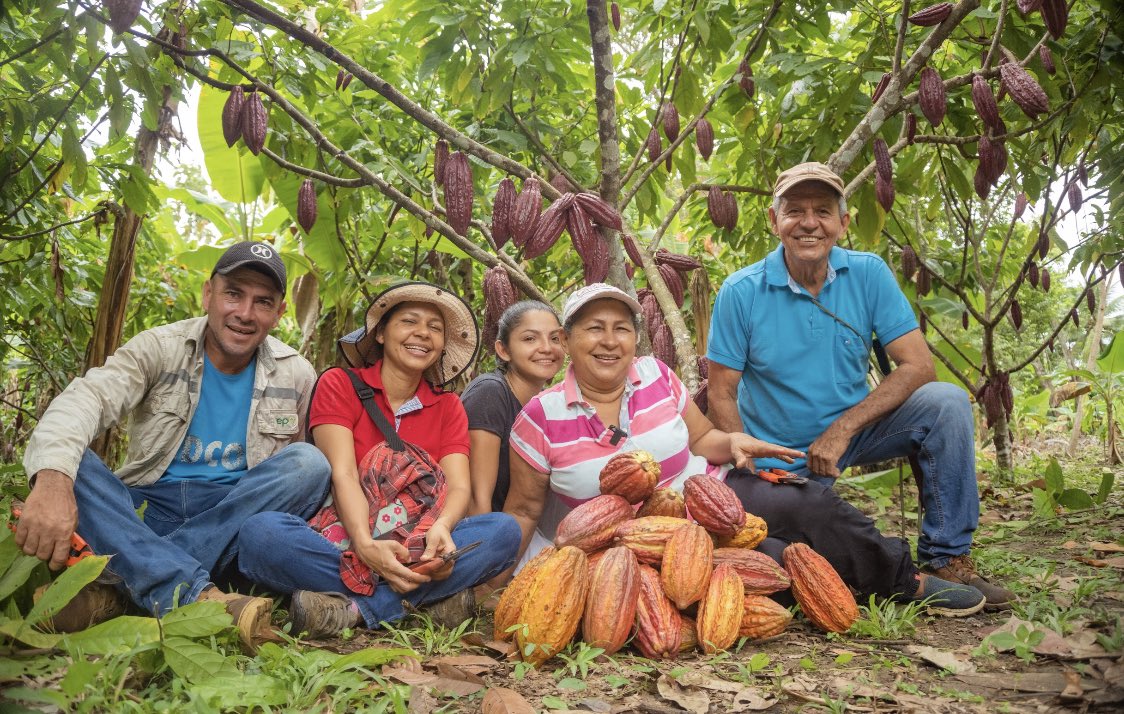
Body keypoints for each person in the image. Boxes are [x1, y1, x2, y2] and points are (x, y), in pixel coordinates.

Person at [504, 283, 986, 615]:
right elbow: (525, 509)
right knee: (779, 564)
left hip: (707, 493)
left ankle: (907, 583)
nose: (609, 341)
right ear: (567, 340)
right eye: (594, 328)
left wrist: (732, 441)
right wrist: (501, 581)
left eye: (621, 327)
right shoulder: (539, 419)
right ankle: (846, 592)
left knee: (811, 503)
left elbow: (701, 440)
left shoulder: (655, 376)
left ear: (635, 336)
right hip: (636, 542)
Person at [706, 162, 1014, 609]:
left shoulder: (868, 274)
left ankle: (946, 556)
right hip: (781, 453)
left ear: (843, 223)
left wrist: (842, 429)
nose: (809, 223)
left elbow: (918, 366)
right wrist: (748, 468)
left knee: (945, 401)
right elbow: (721, 392)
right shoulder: (742, 291)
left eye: (823, 211)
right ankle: (868, 569)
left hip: (857, 431)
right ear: (774, 222)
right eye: (794, 211)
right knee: (783, 562)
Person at [16, 241, 333, 648]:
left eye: (262, 302)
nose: (244, 313)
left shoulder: (297, 373)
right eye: (233, 293)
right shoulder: (159, 347)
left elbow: (293, 480)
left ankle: (123, 588)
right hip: (145, 511)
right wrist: (54, 480)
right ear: (208, 293)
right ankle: (196, 593)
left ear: (279, 313)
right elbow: (87, 398)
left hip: (232, 516)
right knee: (72, 466)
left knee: (309, 464)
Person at [237, 282, 521, 638]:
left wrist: (442, 528)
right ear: (382, 333)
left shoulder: (448, 405)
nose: (423, 334)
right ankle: (423, 601)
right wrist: (366, 546)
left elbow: (458, 485)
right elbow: (342, 474)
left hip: (419, 541)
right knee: (259, 535)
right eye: (409, 322)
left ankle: (352, 610)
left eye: (435, 328)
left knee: (503, 531)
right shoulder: (340, 384)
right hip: (341, 536)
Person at [461, 301, 565, 515]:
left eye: (555, 338)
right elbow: (476, 501)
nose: (546, 347)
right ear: (503, 350)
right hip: (486, 536)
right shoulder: (490, 393)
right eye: (530, 338)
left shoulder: (550, 405)